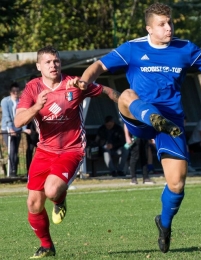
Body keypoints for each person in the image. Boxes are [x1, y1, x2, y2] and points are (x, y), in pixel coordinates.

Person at [66, 2, 201, 253]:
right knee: (126, 94)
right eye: (162, 24)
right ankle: (151, 115)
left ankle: (164, 223)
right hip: (139, 115)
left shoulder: (185, 49)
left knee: (177, 184)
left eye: (169, 23)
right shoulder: (133, 49)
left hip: (171, 123)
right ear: (149, 28)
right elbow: (100, 66)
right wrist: (84, 80)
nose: (168, 28)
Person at [14, 45, 120, 258]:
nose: (53, 65)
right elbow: (18, 121)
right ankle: (47, 246)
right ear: (38, 66)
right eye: (48, 62)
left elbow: (108, 91)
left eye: (56, 61)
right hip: (44, 151)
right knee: (33, 203)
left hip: (72, 150)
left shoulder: (75, 84)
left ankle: (59, 200)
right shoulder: (32, 88)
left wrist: (129, 103)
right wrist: (37, 107)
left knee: (52, 190)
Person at [1, 82, 29, 177]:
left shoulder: (20, 101)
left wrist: (24, 128)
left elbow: (23, 115)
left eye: (17, 91)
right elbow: (6, 115)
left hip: (17, 129)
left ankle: (14, 171)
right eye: (13, 91)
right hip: (7, 129)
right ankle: (11, 171)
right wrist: (10, 128)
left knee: (16, 150)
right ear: (10, 92)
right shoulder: (5, 101)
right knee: (11, 149)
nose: (15, 93)